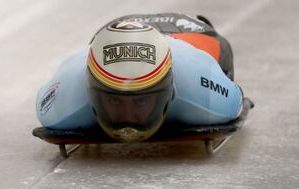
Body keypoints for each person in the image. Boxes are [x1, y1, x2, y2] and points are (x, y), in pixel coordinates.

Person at [36, 13, 243, 142]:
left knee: (220, 53)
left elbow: (235, 97)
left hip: (191, 35)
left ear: (168, 91)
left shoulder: (209, 96)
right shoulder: (61, 102)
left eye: (141, 100)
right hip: (112, 34)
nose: (128, 117)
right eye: (115, 100)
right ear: (91, 92)